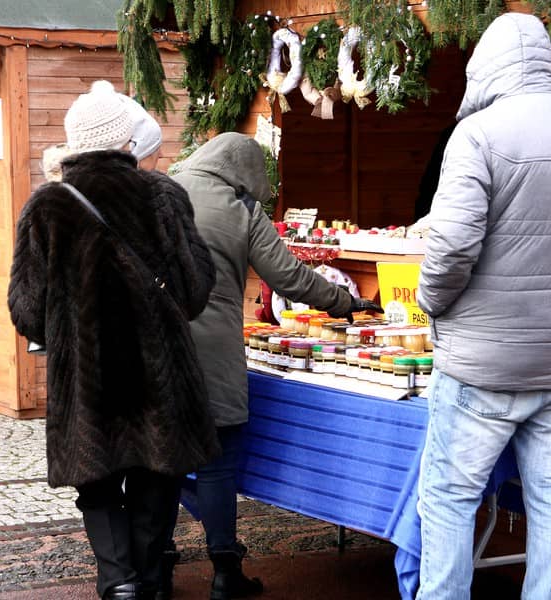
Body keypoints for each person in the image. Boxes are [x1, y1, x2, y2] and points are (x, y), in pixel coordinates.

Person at [415, 14, 551, 600]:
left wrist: (431, 302)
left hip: (478, 364)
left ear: (484, 68)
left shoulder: (477, 135)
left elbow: (451, 248)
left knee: (449, 499)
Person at [8, 80, 220, 600]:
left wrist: (66, 331)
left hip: (88, 373)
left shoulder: (47, 205)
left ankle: (119, 581)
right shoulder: (162, 195)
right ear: (127, 139)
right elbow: (195, 288)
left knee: (96, 480)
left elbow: (26, 308)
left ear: (75, 141)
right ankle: (147, 578)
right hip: (158, 371)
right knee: (157, 475)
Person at [167, 132, 381, 600]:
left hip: (156, 344)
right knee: (217, 462)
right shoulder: (242, 209)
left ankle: (157, 566)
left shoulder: (162, 190)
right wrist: (344, 302)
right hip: (214, 349)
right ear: (246, 172)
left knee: (162, 457)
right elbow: (288, 277)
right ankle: (225, 573)